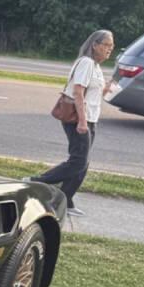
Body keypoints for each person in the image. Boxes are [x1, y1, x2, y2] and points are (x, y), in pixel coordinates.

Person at [33, 29, 115, 217]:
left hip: (90, 119)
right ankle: (37, 182)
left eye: (112, 46)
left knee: (83, 163)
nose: (110, 49)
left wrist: (106, 89)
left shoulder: (96, 66)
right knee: (78, 162)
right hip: (78, 119)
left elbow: (92, 94)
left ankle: (64, 201)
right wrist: (82, 122)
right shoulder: (86, 63)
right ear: (95, 45)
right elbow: (78, 92)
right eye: (107, 45)